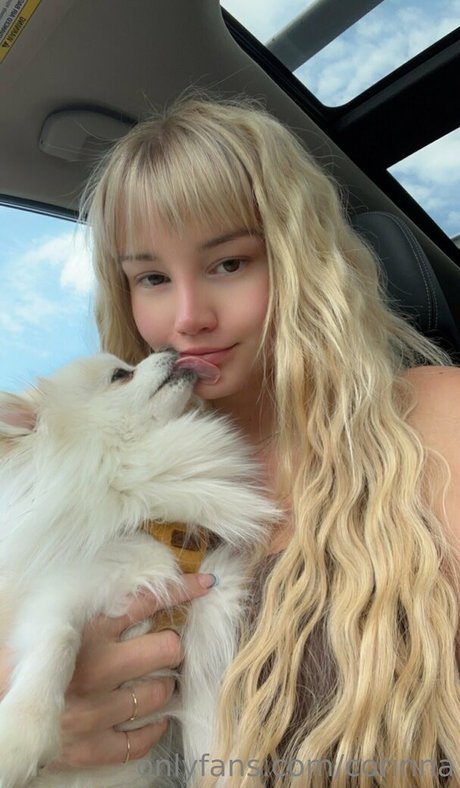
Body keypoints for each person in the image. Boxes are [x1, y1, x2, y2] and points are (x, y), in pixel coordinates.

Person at [3, 93, 460, 785]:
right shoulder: (101, 490)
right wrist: (49, 719)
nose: (189, 317)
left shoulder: (435, 417)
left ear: (300, 260)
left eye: (228, 264)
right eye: (153, 278)